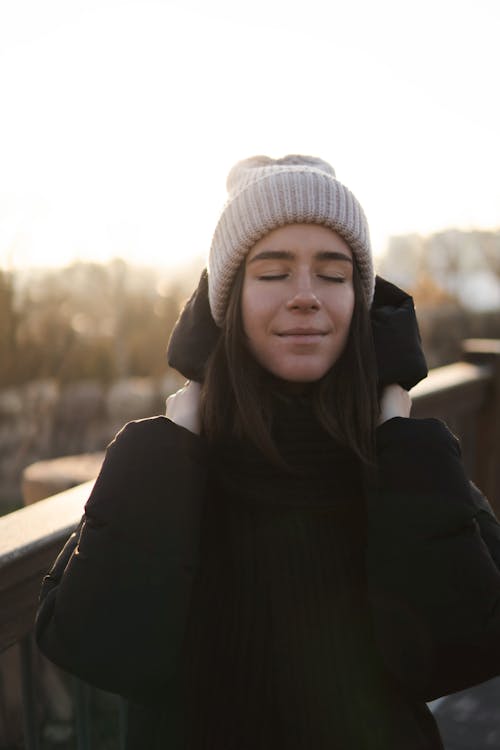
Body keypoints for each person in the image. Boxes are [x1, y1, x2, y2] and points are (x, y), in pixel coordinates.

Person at [36, 155, 500, 750]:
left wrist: (400, 442)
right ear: (228, 301)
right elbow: (98, 648)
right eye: (273, 272)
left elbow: (462, 650)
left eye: (333, 275)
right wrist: (173, 441)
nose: (305, 296)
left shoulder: (407, 461)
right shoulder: (168, 464)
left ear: (359, 302)